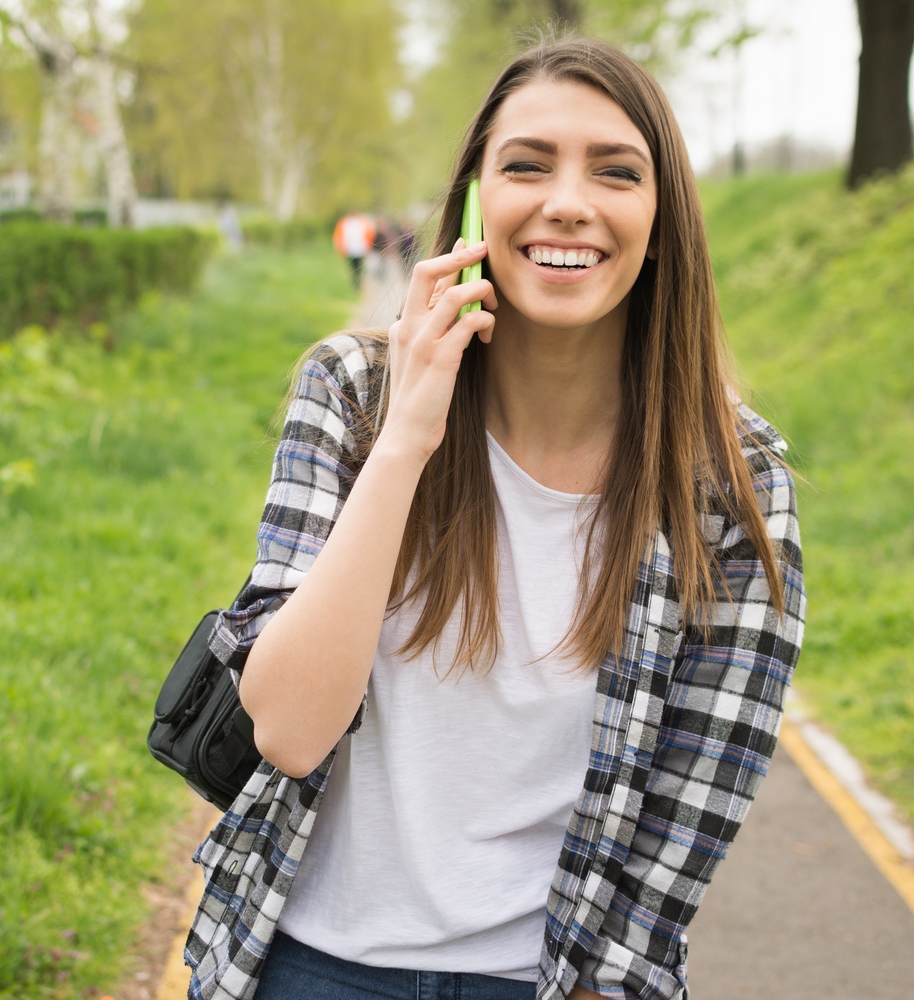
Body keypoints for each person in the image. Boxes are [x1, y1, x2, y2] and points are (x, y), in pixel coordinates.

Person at [186, 34, 806, 1000]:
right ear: (476, 201)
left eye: (615, 171)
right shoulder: (350, 393)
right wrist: (406, 440)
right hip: (308, 964)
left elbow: (697, 796)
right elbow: (289, 732)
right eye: (527, 164)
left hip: (550, 981)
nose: (568, 200)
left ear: (661, 221)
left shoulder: (730, 477)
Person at [333, 211, 377, 290]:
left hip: (358, 250)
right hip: (351, 250)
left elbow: (369, 233)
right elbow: (338, 237)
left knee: (357, 267)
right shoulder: (346, 223)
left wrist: (369, 246)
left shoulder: (348, 222)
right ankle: (357, 283)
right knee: (356, 268)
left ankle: (359, 283)